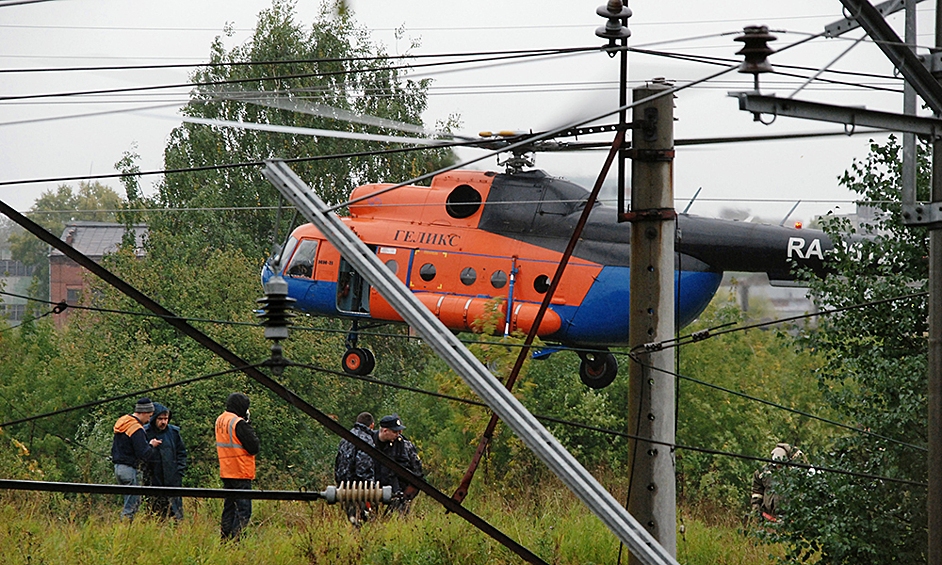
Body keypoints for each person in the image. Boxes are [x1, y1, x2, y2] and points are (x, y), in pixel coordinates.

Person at [215, 393, 260, 541]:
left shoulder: (221, 420)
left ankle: (225, 540)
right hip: (240, 472)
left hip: (226, 471)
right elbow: (253, 446)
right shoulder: (238, 423)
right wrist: (248, 423)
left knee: (229, 509)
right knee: (243, 511)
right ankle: (236, 541)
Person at [112, 397, 162, 521]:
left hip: (118, 468)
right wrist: (151, 445)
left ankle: (126, 529)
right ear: (144, 413)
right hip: (129, 469)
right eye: (149, 416)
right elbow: (143, 454)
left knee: (130, 501)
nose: (149, 419)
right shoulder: (136, 428)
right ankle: (124, 532)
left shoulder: (123, 422)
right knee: (131, 506)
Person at [143, 402, 188, 520]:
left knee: (176, 515)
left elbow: (181, 453)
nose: (163, 422)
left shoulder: (173, 433)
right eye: (160, 419)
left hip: (172, 479)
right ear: (154, 418)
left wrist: (179, 472)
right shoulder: (145, 432)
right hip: (153, 479)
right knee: (155, 514)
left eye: (166, 419)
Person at [373, 413, 423, 514]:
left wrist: (407, 494)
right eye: (395, 431)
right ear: (385, 430)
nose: (398, 434)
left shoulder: (403, 446)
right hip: (372, 492)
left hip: (397, 493)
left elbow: (417, 472)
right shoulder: (368, 442)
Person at [334, 412, 376, 525]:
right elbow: (364, 464)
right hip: (358, 487)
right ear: (372, 425)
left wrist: (339, 482)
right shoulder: (366, 439)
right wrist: (370, 486)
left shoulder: (346, 437)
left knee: (351, 518)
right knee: (363, 520)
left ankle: (352, 539)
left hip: (344, 486)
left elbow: (338, 462)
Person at [751, 442, 796, 520]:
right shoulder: (762, 473)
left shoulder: (793, 472)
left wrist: (793, 450)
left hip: (789, 519)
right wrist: (756, 510)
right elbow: (757, 493)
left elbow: (805, 466)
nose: (778, 467)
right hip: (768, 518)